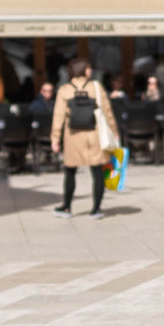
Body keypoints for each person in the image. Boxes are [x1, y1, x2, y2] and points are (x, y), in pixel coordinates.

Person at [51, 58, 120, 220]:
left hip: (72, 136)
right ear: (84, 70)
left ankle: (66, 207)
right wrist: (114, 131)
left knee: (70, 172)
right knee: (97, 172)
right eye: (88, 68)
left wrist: (55, 138)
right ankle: (96, 209)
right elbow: (108, 112)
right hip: (94, 135)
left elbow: (58, 116)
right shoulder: (96, 87)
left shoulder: (64, 90)